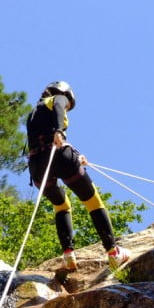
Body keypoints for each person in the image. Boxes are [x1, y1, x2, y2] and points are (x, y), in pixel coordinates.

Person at [26, 81, 131, 270]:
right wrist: (59, 130)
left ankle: (68, 254)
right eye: (68, 104)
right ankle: (113, 252)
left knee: (61, 205)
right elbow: (59, 107)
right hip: (59, 156)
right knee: (92, 201)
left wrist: (75, 153)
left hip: (37, 169)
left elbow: (42, 141)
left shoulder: (33, 114)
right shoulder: (57, 98)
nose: (66, 106)